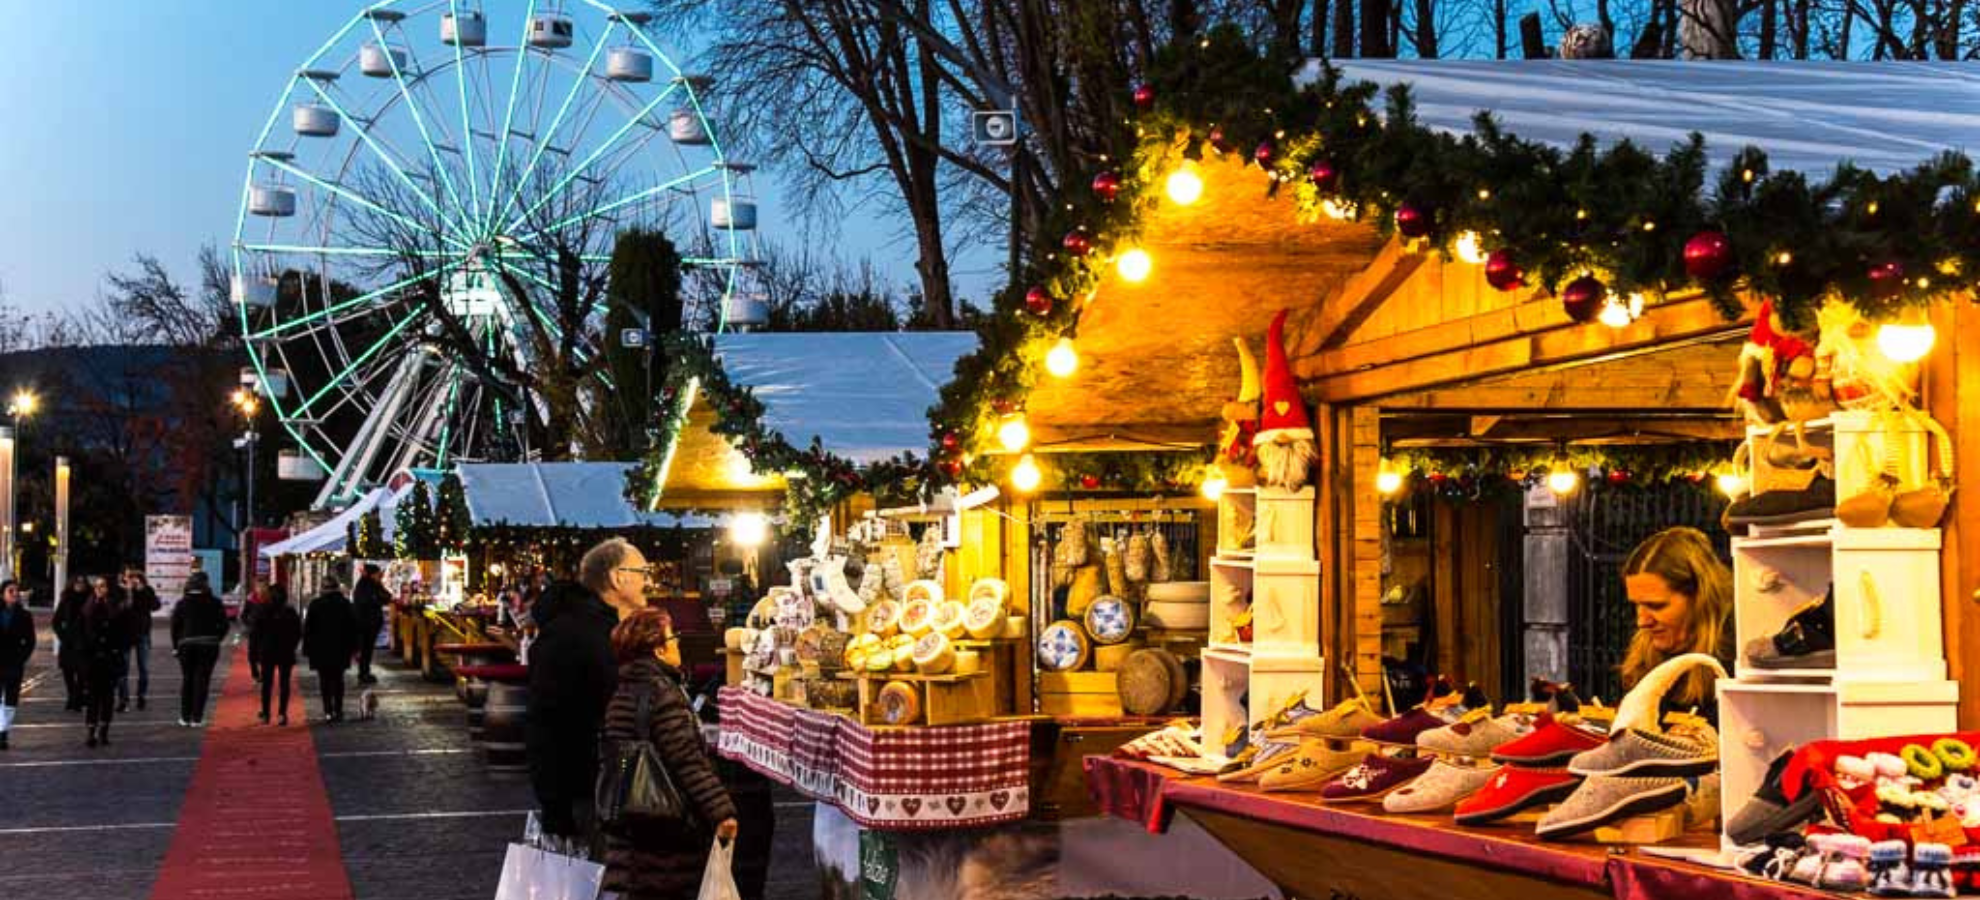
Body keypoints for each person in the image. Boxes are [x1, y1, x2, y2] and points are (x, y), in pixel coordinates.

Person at [599, 609, 737, 900]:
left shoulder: (624, 689)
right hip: (665, 828)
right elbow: (686, 759)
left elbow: (620, 756)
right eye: (673, 637)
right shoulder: (662, 691)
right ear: (659, 649)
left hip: (630, 823)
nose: (678, 644)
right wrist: (721, 811)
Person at [527, 538, 648, 844]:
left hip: (612, 786)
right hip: (587, 790)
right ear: (618, 577)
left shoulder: (607, 628)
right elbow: (547, 722)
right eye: (643, 572)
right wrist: (556, 808)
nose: (649, 581)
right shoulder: (574, 634)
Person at [1620, 526, 1736, 725]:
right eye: (1637, 605)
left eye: (1656, 606)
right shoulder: (1644, 655)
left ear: (1700, 598)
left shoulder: (1738, 662)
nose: (1642, 621)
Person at [169, 572, 230, 727]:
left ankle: (184, 717)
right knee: (202, 681)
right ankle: (197, 718)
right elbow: (224, 625)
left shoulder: (182, 603)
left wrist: (176, 646)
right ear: (206, 584)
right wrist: (217, 638)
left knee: (187, 679)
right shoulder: (215, 602)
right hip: (209, 645)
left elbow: (175, 626)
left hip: (186, 645)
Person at [80, 577, 131, 747]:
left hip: (111, 657)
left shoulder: (116, 607)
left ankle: (104, 730)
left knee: (108, 697)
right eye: (97, 586)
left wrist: (118, 650)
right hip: (92, 658)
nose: (99, 589)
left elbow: (123, 630)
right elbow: (82, 629)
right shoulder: (88, 606)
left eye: (102, 586)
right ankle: (91, 731)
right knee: (92, 696)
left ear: (108, 588)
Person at [302, 576, 358, 723]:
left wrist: (307, 649)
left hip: (321, 649)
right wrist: (354, 648)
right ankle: (338, 710)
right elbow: (353, 628)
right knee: (338, 680)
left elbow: (308, 629)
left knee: (324, 681)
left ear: (323, 588)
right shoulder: (345, 604)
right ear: (337, 588)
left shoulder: (315, 604)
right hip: (341, 649)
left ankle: (328, 710)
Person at [252, 584, 302, 725]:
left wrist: (255, 653)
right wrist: (292, 646)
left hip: (267, 651)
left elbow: (255, 633)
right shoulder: (290, 612)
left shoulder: (262, 610)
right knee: (284, 683)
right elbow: (298, 632)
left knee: (267, 684)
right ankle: (282, 713)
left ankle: (266, 713)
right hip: (285, 651)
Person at [117, 570, 160, 712]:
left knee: (144, 669)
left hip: (142, 634)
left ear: (140, 579)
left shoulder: (147, 590)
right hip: (124, 635)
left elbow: (155, 606)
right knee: (123, 670)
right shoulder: (121, 591)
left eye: (134, 577)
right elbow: (122, 608)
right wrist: (128, 592)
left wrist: (142, 590)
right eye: (128, 577)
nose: (130, 580)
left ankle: (141, 696)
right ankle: (124, 700)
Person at [0, 580, 35, 749]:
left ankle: (4, 733)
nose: (15, 594)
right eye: (10, 591)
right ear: (2, 594)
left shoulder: (24, 615)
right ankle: (1, 732)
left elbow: (30, 641)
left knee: (11, 700)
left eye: (16, 591)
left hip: (14, 663)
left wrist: (21, 658)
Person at [52, 576, 88, 711]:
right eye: (77, 582)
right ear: (72, 584)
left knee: (82, 673)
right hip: (68, 642)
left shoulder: (90, 599)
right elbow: (56, 621)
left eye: (82, 582)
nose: (80, 585)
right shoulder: (66, 599)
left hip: (84, 642)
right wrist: (63, 636)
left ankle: (77, 699)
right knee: (68, 672)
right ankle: (72, 697)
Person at [351, 563, 390, 686]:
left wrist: (379, 588)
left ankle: (365, 672)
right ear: (372, 575)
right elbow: (373, 601)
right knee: (365, 649)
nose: (380, 577)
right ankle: (363, 673)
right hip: (365, 624)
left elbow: (387, 597)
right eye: (378, 575)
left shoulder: (374, 585)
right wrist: (378, 597)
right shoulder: (364, 586)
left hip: (371, 623)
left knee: (367, 650)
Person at [243, 576, 271, 682]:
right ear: (255, 587)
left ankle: (264, 674)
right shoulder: (250, 599)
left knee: (264, 654)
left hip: (266, 632)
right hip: (254, 631)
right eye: (258, 586)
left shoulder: (270, 599)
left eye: (263, 586)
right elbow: (244, 615)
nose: (261, 588)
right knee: (252, 655)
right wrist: (249, 623)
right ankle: (255, 673)